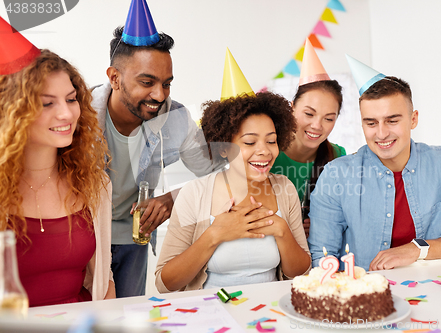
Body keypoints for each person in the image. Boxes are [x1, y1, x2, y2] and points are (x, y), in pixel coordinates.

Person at [154, 51, 310, 291]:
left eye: (271, 140)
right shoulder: (195, 194)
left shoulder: (284, 188)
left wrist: (281, 230)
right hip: (213, 315)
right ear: (224, 147)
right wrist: (214, 234)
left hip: (270, 317)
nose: (264, 152)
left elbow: (299, 272)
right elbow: (165, 284)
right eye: (249, 143)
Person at [91, 0, 216, 297]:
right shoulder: (77, 114)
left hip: (133, 242)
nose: (159, 95)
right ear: (114, 78)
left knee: (125, 319)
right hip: (83, 239)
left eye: (167, 83)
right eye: (147, 82)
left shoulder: (177, 118)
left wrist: (174, 199)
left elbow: (215, 176)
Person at [308, 56, 441, 271]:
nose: (381, 133)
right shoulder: (336, 176)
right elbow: (322, 257)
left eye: (392, 120)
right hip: (365, 297)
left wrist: (417, 249)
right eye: (371, 123)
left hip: (438, 290)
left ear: (413, 119)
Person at [0, 21, 114, 306]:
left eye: (72, 99)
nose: (66, 114)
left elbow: (103, 277)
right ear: (13, 112)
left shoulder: (95, 184)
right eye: (47, 103)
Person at [270, 39, 345, 237]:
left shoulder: (337, 156)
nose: (317, 126)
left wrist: (323, 223)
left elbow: (344, 215)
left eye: (329, 118)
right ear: (292, 107)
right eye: (309, 114)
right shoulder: (267, 153)